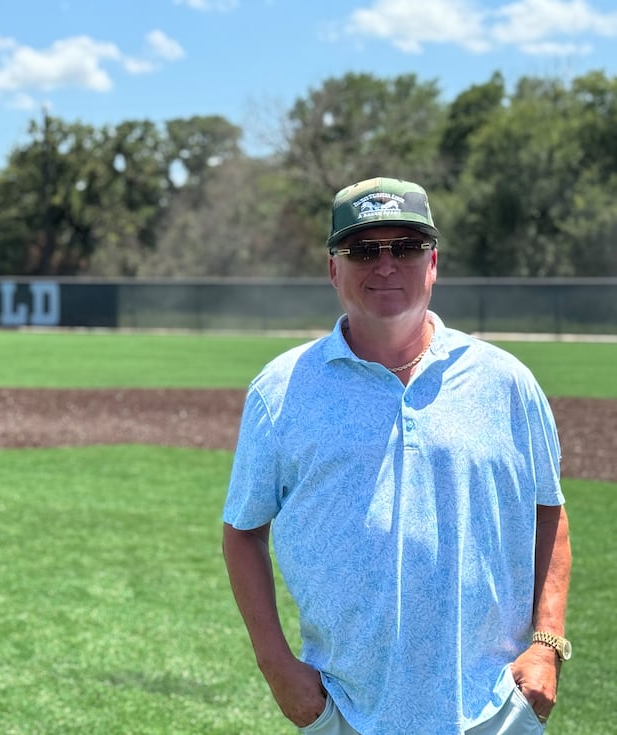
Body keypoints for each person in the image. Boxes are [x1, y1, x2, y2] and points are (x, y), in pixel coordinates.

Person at [222, 177, 571, 734]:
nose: (385, 265)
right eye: (362, 250)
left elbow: (548, 510)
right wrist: (276, 666)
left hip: (494, 707)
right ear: (333, 269)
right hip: (346, 707)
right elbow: (242, 531)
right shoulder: (280, 391)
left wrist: (547, 644)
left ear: (432, 263)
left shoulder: (506, 382)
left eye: (405, 247)